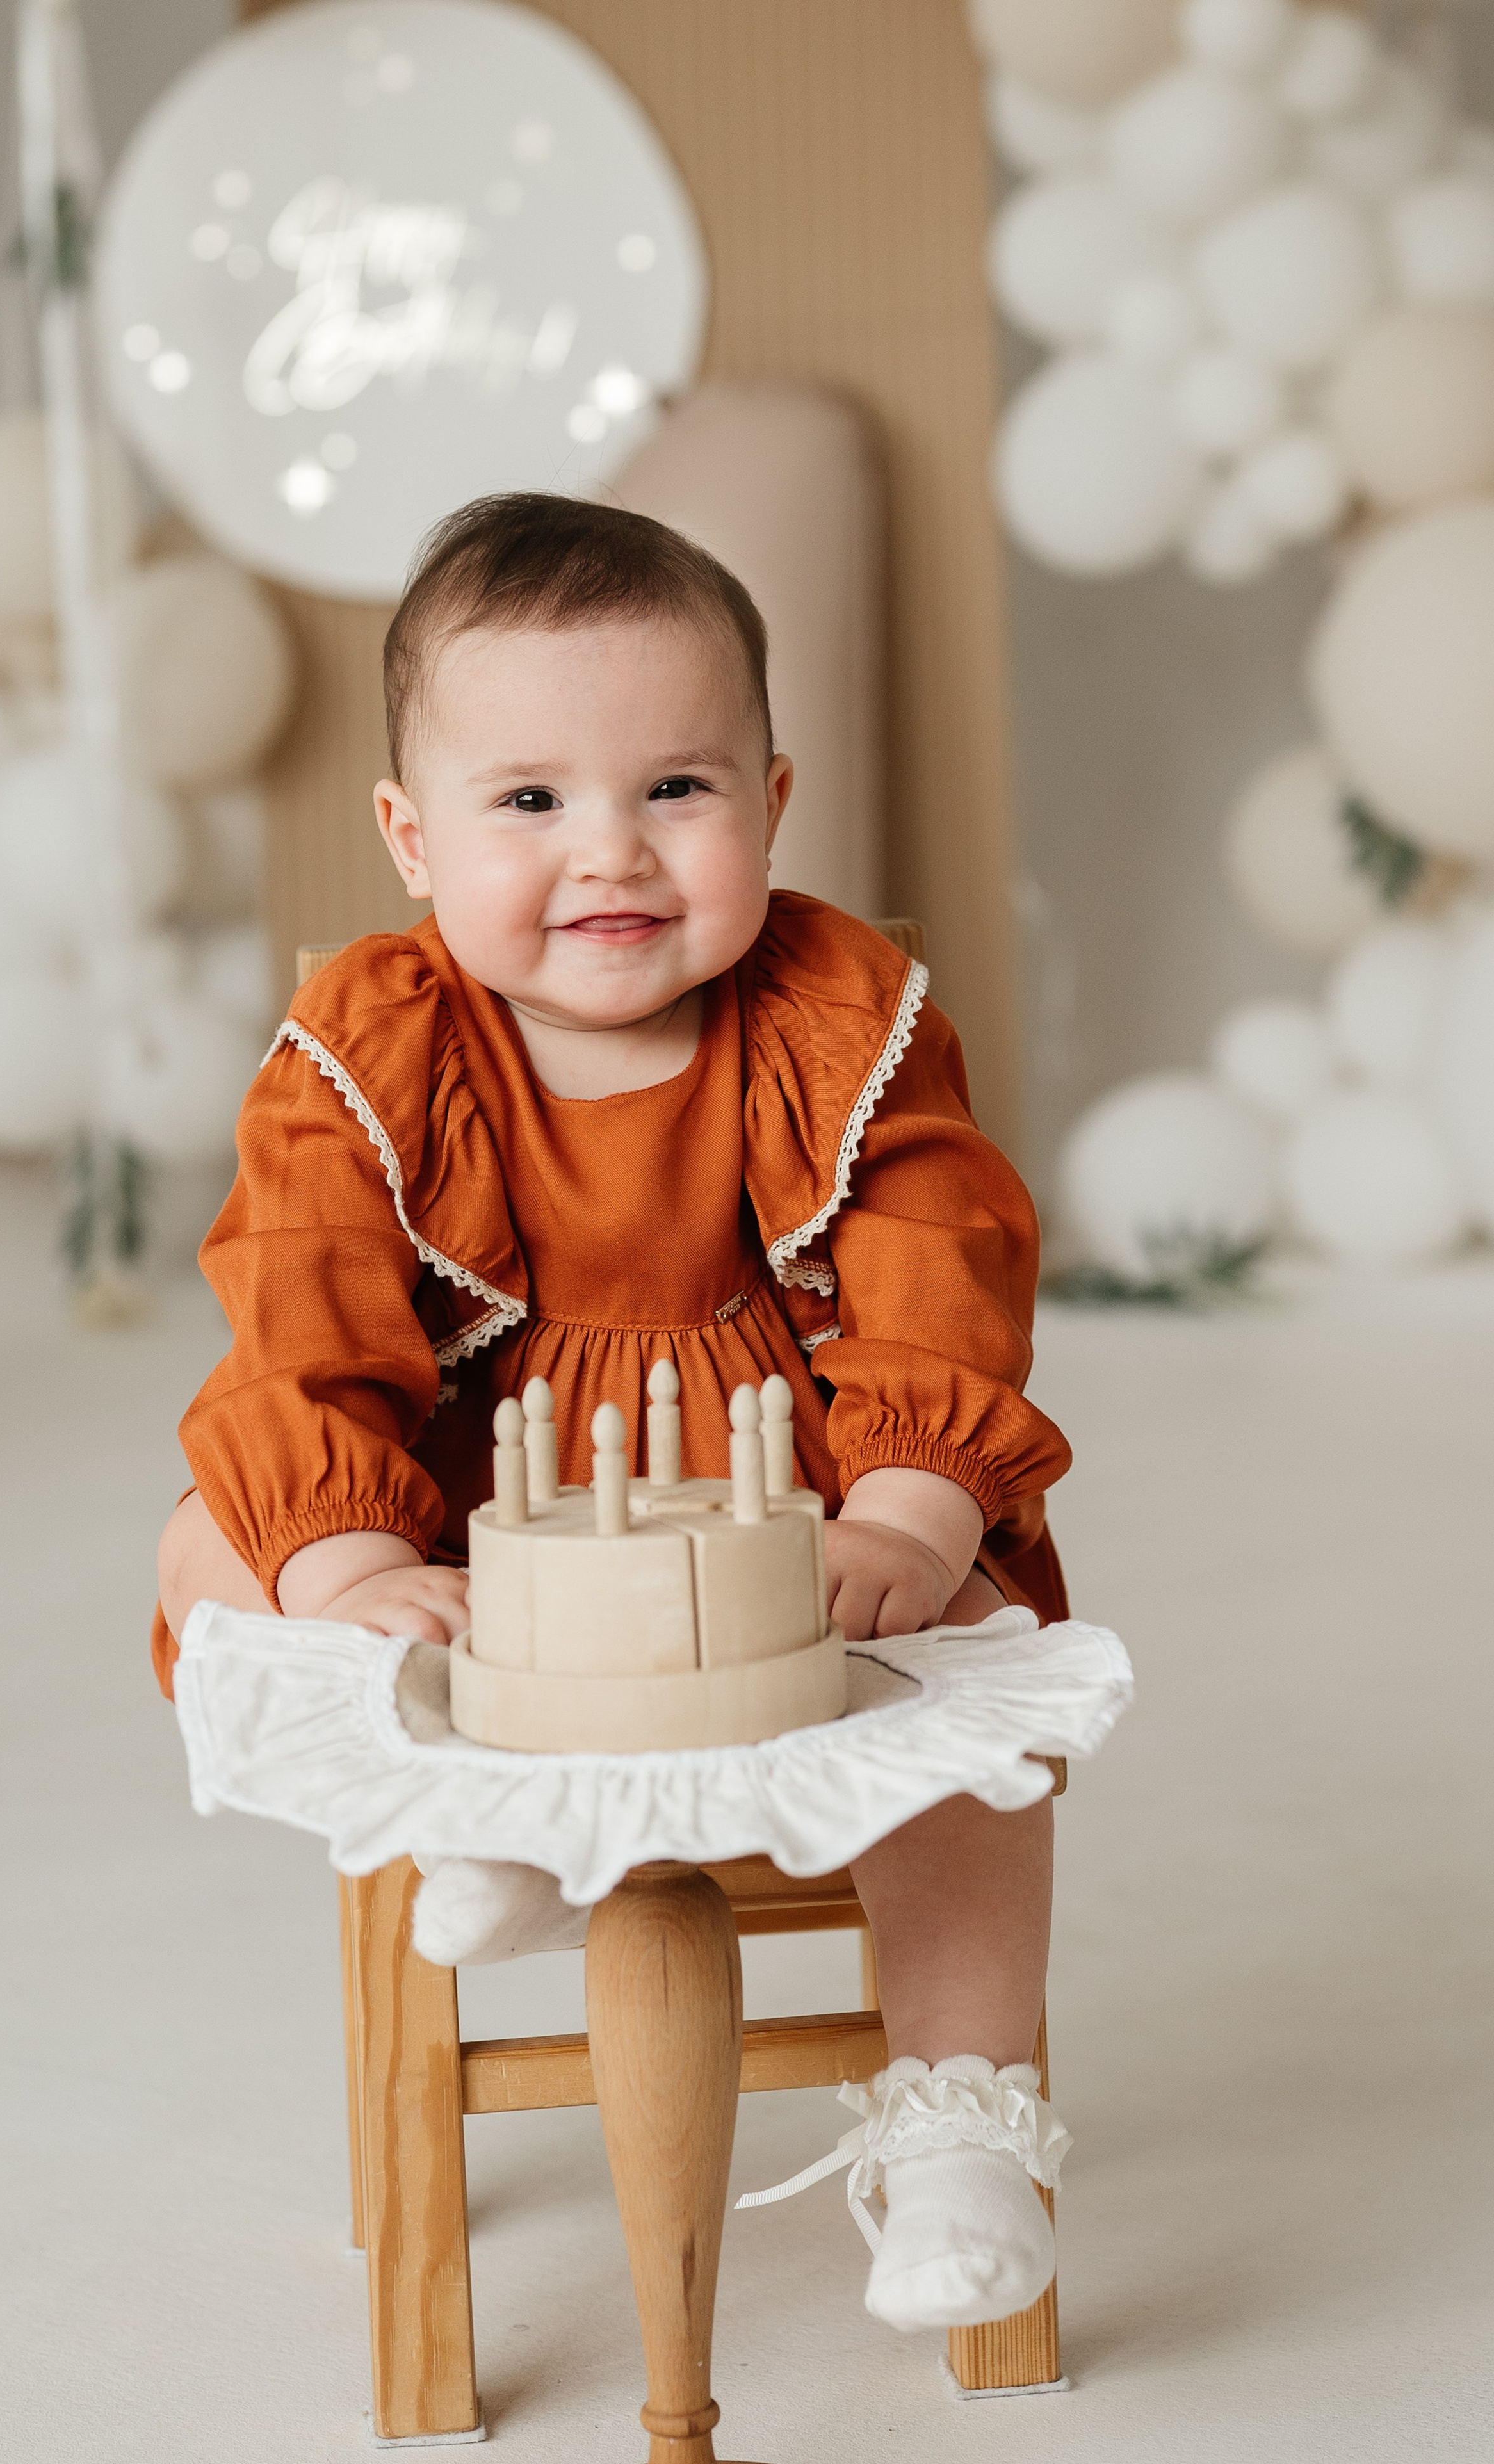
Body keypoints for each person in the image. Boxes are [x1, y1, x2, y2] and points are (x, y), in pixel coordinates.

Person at [154, 492, 1074, 2333]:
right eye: (529, 803)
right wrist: (347, 1563)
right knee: (215, 1542)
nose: (613, 858)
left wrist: (909, 1511)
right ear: (410, 840)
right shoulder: (369, 1043)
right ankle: (471, 1807)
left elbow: (936, 1257)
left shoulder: (841, 1009)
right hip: (474, 1510)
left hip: (781, 1493)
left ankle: (963, 2113)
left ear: (773, 800)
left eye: (677, 790)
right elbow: (305, 1298)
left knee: (979, 1707)